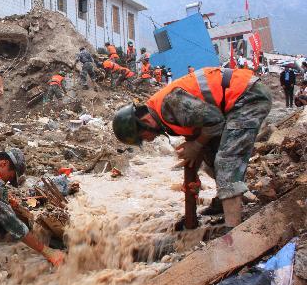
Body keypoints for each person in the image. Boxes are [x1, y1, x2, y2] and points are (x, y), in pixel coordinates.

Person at [112, 67, 272, 228]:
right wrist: (193, 169)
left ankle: (234, 231)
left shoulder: (170, 104)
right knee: (210, 158)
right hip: (234, 102)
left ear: (145, 121)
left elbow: (216, 121)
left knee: (226, 161)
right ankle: (229, 201)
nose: (148, 140)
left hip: (248, 97)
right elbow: (199, 131)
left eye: (143, 137)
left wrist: (196, 145)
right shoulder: (164, 115)